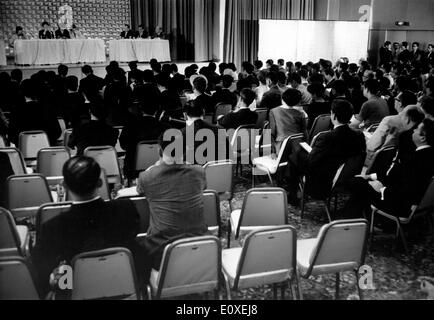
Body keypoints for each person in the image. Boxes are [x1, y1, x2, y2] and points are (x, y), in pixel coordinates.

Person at [32, 156, 143, 295]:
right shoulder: (125, 209)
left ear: (64, 185)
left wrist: (57, 280)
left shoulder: (53, 227)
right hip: (125, 285)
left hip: (76, 290)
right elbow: (133, 233)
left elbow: (41, 268)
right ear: (100, 182)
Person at [136, 132, 208, 274]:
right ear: (186, 150)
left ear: (160, 151)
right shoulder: (199, 172)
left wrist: (156, 167)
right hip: (201, 246)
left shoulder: (147, 177)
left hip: (161, 251)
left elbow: (140, 191)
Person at [344, 119, 434, 220]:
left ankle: (349, 220)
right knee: (361, 183)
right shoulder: (426, 156)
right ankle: (359, 217)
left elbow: (407, 191)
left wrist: (382, 189)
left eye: (416, 129)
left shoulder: (417, 160)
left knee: (356, 183)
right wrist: (372, 177)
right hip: (417, 205)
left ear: (423, 137)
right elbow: (399, 176)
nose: (413, 131)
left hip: (398, 205)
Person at [287, 99, 366, 205]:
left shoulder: (326, 137)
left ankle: (292, 197)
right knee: (300, 157)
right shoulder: (359, 135)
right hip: (345, 177)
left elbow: (312, 162)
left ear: (333, 116)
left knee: (295, 158)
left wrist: (307, 154)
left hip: (323, 181)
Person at [8, 79, 61, 146]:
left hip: (23, 151)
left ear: (22, 92)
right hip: (46, 150)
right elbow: (57, 132)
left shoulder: (16, 110)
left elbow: (11, 135)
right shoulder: (47, 108)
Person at [366, 91, 418, 157]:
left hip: (378, 159)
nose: (394, 100)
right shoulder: (416, 121)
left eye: (396, 99)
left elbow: (372, 146)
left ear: (400, 103)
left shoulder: (389, 120)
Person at [269, 88, 308, 154]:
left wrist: (273, 151)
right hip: (297, 147)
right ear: (297, 101)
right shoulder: (301, 114)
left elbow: (271, 133)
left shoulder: (273, 111)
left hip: (281, 147)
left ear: (283, 98)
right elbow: (304, 133)